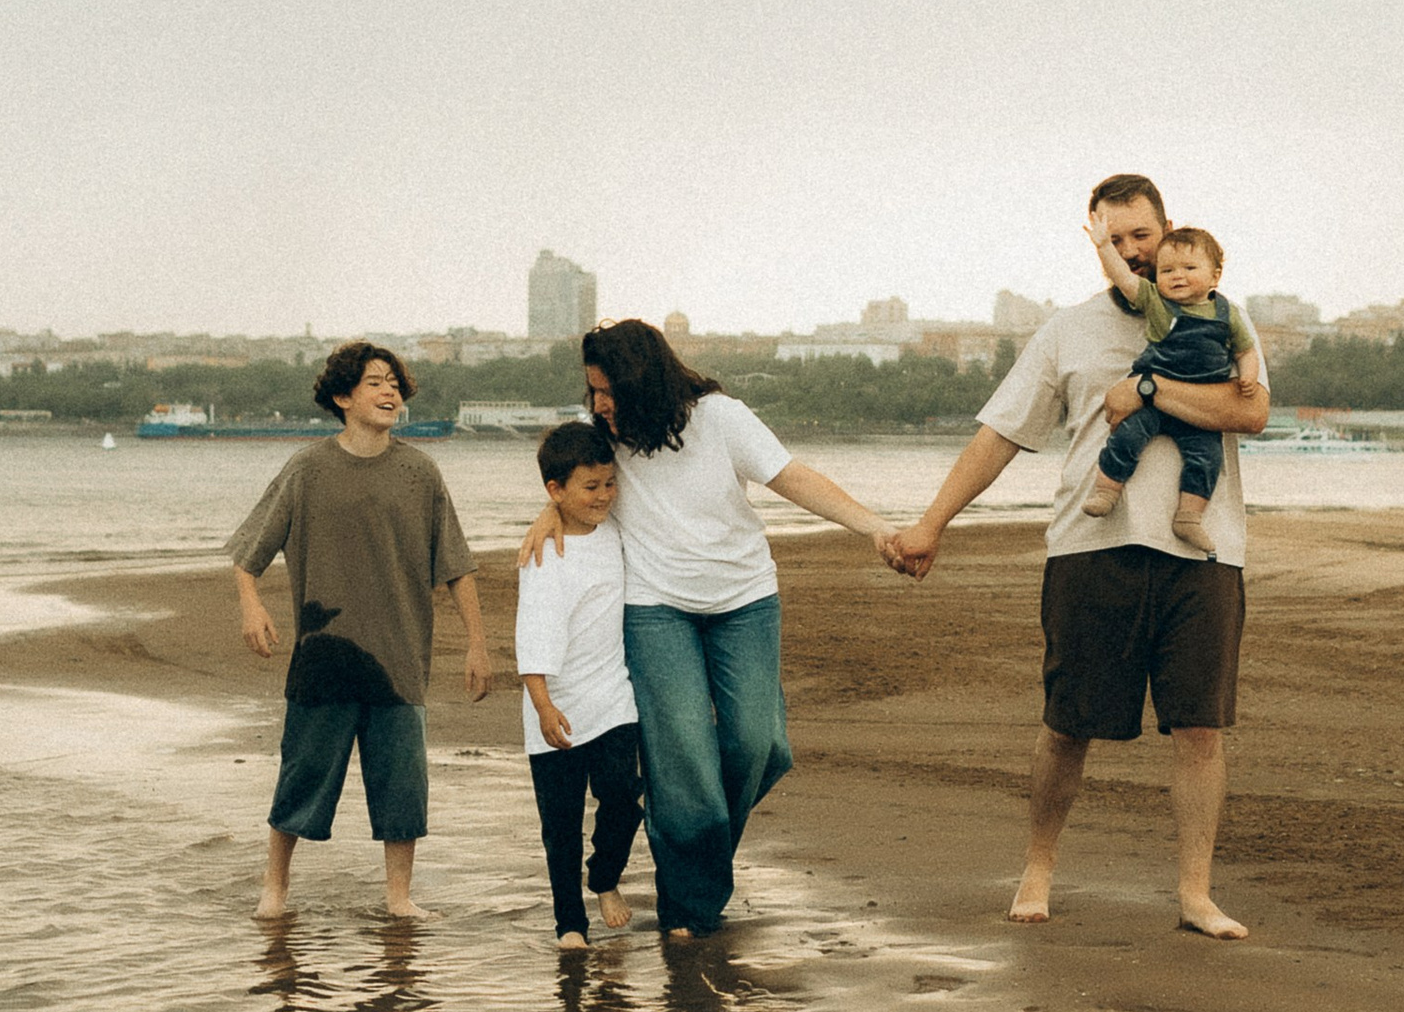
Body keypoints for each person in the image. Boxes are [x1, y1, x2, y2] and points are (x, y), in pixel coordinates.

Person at [888, 173, 1269, 937]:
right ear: (1095, 242)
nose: (1133, 253)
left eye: (1143, 237)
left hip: (1203, 551)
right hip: (1093, 547)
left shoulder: (1225, 317)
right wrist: (933, 523)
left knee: (1201, 729)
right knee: (1068, 724)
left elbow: (1249, 409)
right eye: (1115, 240)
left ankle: (1195, 894)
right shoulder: (1068, 330)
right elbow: (1001, 434)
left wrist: (1154, 388)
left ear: (1171, 233)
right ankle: (1038, 867)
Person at [521, 319, 911, 939]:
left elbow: (793, 477)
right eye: (592, 391)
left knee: (761, 745)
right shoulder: (609, 436)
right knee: (684, 764)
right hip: (655, 608)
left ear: (642, 382)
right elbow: (574, 480)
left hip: (745, 599)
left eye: (608, 391)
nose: (598, 405)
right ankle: (690, 905)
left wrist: (874, 528)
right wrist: (548, 511)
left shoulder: (721, 419)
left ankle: (684, 836)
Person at [230, 339, 491, 921]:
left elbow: (456, 564)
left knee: (403, 787)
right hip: (324, 657)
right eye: (375, 382)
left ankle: (399, 898)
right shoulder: (307, 469)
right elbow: (248, 554)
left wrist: (477, 643)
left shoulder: (420, 472)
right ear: (343, 397)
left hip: (399, 662)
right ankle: (274, 888)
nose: (389, 390)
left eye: (394, 381)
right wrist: (252, 605)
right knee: (301, 777)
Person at [514, 418, 646, 950]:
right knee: (560, 827)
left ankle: (605, 877)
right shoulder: (546, 556)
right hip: (554, 706)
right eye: (590, 488)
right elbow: (531, 640)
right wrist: (543, 707)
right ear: (556, 490)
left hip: (613, 697)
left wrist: (558, 508)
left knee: (624, 797)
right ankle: (570, 923)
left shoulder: (615, 529)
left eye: (609, 484)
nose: (604, 496)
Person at [1079, 211, 1257, 545]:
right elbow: (1125, 279)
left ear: (1215, 276)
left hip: (1198, 408)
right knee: (1127, 436)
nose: (1177, 277)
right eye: (1167, 270)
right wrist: (1104, 246)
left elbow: (1245, 351)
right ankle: (1106, 490)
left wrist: (1249, 377)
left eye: (1190, 269)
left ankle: (1189, 517)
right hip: (1153, 404)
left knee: (1207, 459)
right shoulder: (1157, 303)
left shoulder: (1228, 313)